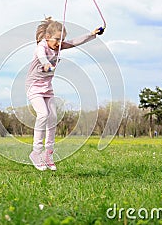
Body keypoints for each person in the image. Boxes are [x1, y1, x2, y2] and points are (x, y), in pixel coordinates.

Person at [25, 17, 104, 171]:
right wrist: (46, 63)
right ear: (47, 37)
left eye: (62, 40)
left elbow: (75, 42)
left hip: (47, 88)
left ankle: (48, 153)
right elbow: (41, 56)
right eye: (56, 39)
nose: (59, 43)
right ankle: (36, 152)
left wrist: (92, 34)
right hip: (34, 87)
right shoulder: (41, 47)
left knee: (53, 117)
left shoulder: (58, 47)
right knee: (43, 115)